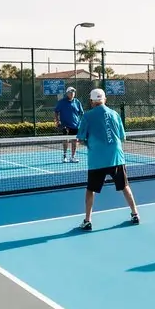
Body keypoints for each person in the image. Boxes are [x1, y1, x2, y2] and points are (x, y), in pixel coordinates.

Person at [76, 88, 139, 230]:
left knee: (90, 190)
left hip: (96, 159)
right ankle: (135, 214)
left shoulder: (87, 116)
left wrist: (89, 143)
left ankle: (87, 221)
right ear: (104, 99)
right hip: (116, 157)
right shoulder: (115, 114)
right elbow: (122, 137)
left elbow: (80, 139)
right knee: (125, 186)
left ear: (92, 101)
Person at [54, 86, 84, 162]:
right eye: (71, 92)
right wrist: (57, 121)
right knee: (65, 140)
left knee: (75, 141)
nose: (72, 93)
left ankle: (73, 157)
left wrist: (80, 123)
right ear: (67, 93)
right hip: (65, 125)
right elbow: (56, 111)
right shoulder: (62, 102)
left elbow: (82, 113)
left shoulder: (77, 102)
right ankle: (64, 156)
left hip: (75, 125)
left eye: (73, 92)